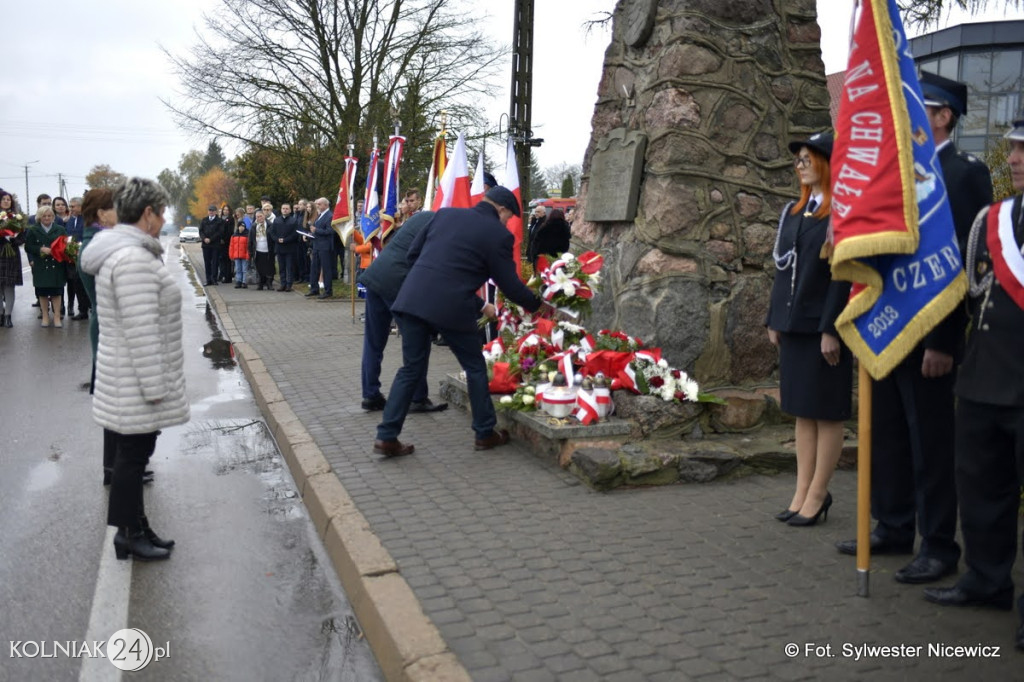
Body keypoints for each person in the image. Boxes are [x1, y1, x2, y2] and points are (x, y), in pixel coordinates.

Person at [834, 73, 993, 584]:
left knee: (930, 443)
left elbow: (960, 265)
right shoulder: (900, 172)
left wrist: (943, 340)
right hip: (889, 326)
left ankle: (939, 544)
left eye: (919, 107)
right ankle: (894, 523)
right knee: (888, 436)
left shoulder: (963, 173)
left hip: (930, 335)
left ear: (944, 115)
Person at [923, 113, 1024, 652]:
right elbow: (967, 291)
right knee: (982, 493)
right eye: (1012, 149)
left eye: (1022, 151)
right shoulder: (992, 219)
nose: (1012, 159)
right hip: (984, 380)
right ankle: (986, 580)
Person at [373, 187, 550, 457]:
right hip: (452, 307)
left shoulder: (444, 215)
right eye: (508, 217)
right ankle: (484, 432)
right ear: (501, 210)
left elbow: (412, 255)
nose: (506, 223)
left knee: (410, 369)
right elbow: (510, 285)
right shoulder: (498, 234)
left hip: (412, 299)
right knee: (475, 367)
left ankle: (386, 436)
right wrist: (539, 306)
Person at [80, 177, 187, 562]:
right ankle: (127, 535)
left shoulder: (125, 253)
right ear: (147, 213)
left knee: (134, 455)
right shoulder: (132, 259)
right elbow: (142, 329)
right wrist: (155, 385)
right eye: (161, 212)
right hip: (136, 378)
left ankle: (138, 526)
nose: (162, 220)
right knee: (131, 458)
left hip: (127, 375)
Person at [765, 130, 852, 527]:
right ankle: (801, 492)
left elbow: (842, 275)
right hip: (795, 324)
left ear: (826, 164)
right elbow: (782, 271)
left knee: (827, 413)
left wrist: (831, 328)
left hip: (824, 327)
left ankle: (819, 494)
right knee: (802, 412)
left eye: (806, 158)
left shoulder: (842, 213)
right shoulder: (794, 212)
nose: (799, 165)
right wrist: (774, 319)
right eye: (797, 159)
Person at [77, 188, 139, 487]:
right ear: (102, 213)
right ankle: (116, 470)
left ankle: (119, 466)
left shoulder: (102, 241)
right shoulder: (97, 246)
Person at [358, 210, 448, 414]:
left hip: (376, 276)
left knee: (373, 341)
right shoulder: (443, 228)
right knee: (417, 339)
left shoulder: (419, 217)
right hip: (398, 283)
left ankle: (370, 395)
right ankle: (417, 397)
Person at [24, 205, 69, 328]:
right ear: (39, 217)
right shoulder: (33, 229)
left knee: (56, 292)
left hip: (56, 264)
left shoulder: (60, 229)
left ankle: (56, 316)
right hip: (41, 265)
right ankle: (45, 316)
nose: (47, 218)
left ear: (53, 217)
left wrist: (59, 251)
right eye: (44, 216)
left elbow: (66, 245)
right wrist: (40, 249)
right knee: (42, 292)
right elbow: (28, 246)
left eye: (49, 215)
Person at [0, 191, 25, 327]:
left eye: (8, 199)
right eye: (3, 199)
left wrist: (14, 240)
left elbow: (23, 236)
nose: (6, 201)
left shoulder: (17, 217)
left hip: (11, 254)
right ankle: (0, 315)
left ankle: (8, 316)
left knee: (9, 287)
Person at [64, 197, 89, 320]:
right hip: (72, 257)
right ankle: (82, 310)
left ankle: (90, 306)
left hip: (85, 255)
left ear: (81, 206)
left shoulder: (88, 220)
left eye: (73, 206)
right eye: (70, 206)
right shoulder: (69, 220)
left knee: (86, 283)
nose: (71, 209)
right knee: (76, 283)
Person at [307, 197, 334, 298]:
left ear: (325, 205)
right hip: (317, 245)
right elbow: (316, 229)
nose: (317, 206)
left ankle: (328, 291)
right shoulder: (320, 215)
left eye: (319, 204)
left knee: (326, 269)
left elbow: (330, 231)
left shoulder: (330, 216)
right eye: (316, 204)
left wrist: (316, 230)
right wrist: (310, 234)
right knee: (314, 268)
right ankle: (314, 289)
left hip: (325, 247)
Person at [271, 202, 299, 291]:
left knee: (289, 267)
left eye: (287, 208)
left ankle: (289, 285)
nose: (285, 210)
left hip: (290, 247)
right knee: (281, 267)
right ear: (281, 209)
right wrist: (277, 239)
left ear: (290, 210)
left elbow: (295, 234)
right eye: (283, 208)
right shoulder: (277, 220)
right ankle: (282, 284)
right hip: (279, 247)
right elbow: (272, 232)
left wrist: (285, 240)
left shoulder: (293, 220)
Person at [248, 209, 276, 290]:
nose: (259, 218)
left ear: (264, 216)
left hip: (268, 249)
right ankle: (261, 282)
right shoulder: (254, 226)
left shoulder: (270, 225)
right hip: (258, 249)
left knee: (269, 267)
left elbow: (273, 237)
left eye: (261, 216)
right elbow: (250, 240)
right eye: (257, 217)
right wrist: (250, 251)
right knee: (259, 267)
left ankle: (269, 283)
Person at [199, 204, 222, 285]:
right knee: (207, 262)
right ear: (208, 212)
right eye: (210, 210)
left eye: (212, 211)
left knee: (215, 263)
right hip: (206, 245)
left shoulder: (219, 221)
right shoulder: (204, 220)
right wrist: (204, 238)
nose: (211, 212)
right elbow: (201, 231)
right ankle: (208, 279)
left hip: (215, 245)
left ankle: (214, 279)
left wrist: (210, 239)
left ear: (215, 212)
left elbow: (219, 232)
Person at [229, 215, 251, 288]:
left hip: (244, 255)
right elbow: (231, 246)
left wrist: (248, 255)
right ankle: (239, 281)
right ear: (238, 227)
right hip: (236, 255)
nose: (241, 228)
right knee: (238, 269)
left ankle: (244, 282)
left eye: (243, 226)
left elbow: (249, 247)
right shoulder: (234, 236)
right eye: (240, 226)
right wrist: (231, 255)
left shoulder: (247, 235)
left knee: (244, 270)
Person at [218, 204, 235, 283]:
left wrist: (224, 239)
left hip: (227, 242)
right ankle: (222, 275)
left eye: (227, 210)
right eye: (224, 210)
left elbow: (230, 231)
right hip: (220, 243)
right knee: (221, 260)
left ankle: (228, 277)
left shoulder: (231, 219)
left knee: (228, 260)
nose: (225, 211)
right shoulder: (220, 219)